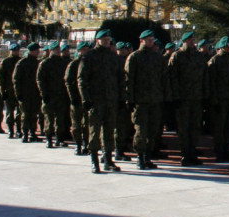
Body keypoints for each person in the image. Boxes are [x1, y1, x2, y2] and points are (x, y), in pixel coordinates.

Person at [78, 30, 122, 173]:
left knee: (109, 132)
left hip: (110, 99)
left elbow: (119, 78)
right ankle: (94, 160)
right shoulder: (89, 56)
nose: (106, 41)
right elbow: (82, 79)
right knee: (94, 131)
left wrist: (120, 97)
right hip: (96, 100)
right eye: (103, 39)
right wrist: (85, 98)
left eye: (108, 39)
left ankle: (108, 159)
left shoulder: (112, 56)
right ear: (97, 40)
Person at [125, 30, 166, 170]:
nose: (151, 42)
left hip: (155, 99)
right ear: (141, 40)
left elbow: (163, 79)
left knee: (153, 131)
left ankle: (147, 156)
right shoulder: (134, 57)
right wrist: (129, 99)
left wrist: (165, 97)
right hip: (140, 101)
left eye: (152, 40)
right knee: (141, 130)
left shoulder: (157, 57)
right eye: (148, 40)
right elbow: (128, 80)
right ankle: (140, 157)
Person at [166, 32, 207, 166]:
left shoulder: (199, 56)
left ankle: (192, 152)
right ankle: (185, 154)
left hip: (196, 97)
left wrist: (205, 94)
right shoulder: (177, 56)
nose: (192, 42)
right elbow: (172, 78)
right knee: (184, 127)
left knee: (195, 127)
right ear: (183, 41)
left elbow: (204, 77)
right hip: (183, 98)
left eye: (193, 40)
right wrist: (175, 97)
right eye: (189, 40)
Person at [207, 37, 229, 162]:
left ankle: (228, 149)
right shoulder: (215, 60)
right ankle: (220, 151)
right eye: (226, 45)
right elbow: (211, 81)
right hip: (220, 98)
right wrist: (213, 98)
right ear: (221, 46)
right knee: (220, 127)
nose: (228, 47)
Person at [37, 42, 71, 148]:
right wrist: (44, 94)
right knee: (49, 118)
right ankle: (49, 138)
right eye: (55, 49)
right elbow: (40, 80)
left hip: (61, 95)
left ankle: (59, 138)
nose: (57, 51)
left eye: (58, 49)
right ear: (51, 50)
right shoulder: (45, 63)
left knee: (60, 118)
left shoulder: (62, 62)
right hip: (50, 95)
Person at [13, 42, 43, 142]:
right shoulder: (22, 63)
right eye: (36, 50)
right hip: (25, 93)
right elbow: (16, 80)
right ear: (31, 51)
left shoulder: (37, 63)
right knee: (25, 114)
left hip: (35, 93)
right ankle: (25, 133)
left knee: (34, 114)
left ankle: (32, 132)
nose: (38, 52)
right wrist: (18, 93)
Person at [65, 41, 90, 155]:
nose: (87, 51)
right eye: (84, 49)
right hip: (76, 97)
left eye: (88, 49)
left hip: (88, 98)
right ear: (79, 50)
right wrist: (73, 97)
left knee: (87, 123)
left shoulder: (91, 62)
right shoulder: (74, 64)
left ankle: (86, 143)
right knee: (76, 123)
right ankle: (78, 144)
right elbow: (69, 82)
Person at [0, 44, 21, 138]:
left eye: (17, 50)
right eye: (14, 50)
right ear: (10, 51)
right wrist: (3, 91)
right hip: (9, 90)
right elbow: (1, 78)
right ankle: (10, 130)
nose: (15, 52)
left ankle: (19, 130)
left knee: (20, 112)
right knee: (10, 111)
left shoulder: (20, 61)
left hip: (19, 90)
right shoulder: (5, 62)